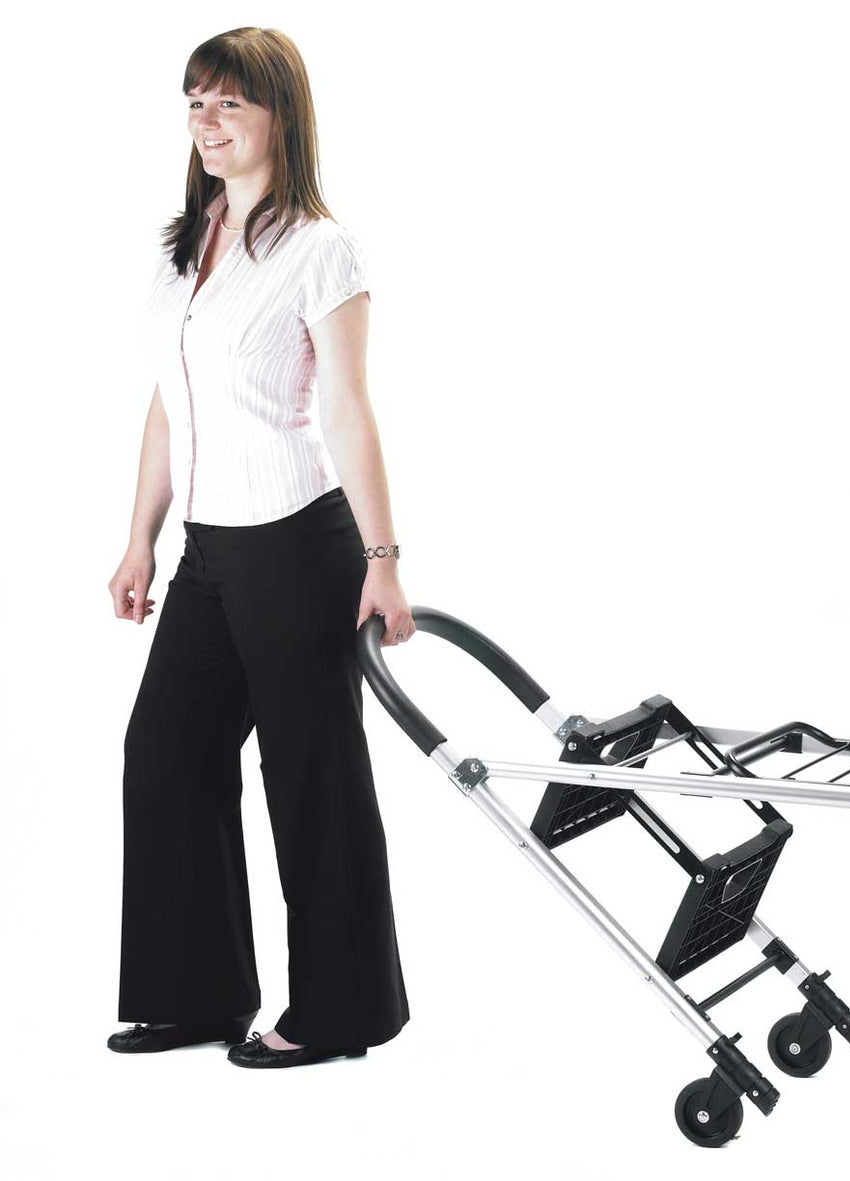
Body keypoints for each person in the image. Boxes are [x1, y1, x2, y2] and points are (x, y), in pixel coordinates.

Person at [106, 27, 413, 1069]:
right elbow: (169, 401)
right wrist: (139, 539)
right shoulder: (183, 244)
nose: (206, 122)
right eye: (195, 102)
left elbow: (348, 409)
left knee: (310, 776)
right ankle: (195, 996)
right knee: (166, 756)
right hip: (207, 553)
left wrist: (383, 558)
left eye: (229, 102)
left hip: (297, 547)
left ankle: (339, 1012)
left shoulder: (321, 250)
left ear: (281, 114)